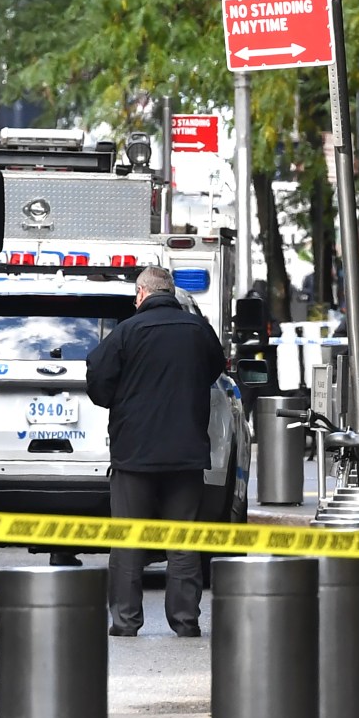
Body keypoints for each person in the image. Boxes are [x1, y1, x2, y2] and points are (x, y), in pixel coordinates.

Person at [85, 266, 225, 638]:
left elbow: (97, 384)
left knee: (129, 540)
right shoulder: (198, 331)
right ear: (171, 293)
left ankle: (126, 621)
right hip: (186, 453)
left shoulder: (126, 333)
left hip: (135, 454)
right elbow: (215, 369)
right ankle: (185, 621)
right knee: (183, 541)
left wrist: (126, 399)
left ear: (142, 293)